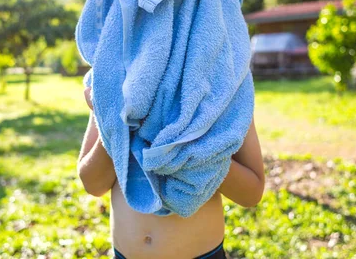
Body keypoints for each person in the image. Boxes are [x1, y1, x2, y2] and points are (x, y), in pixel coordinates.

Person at [77, 86, 265, 259]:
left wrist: (193, 148)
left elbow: (251, 193)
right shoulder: (112, 74)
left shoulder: (225, 80)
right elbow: (93, 184)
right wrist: (117, 125)